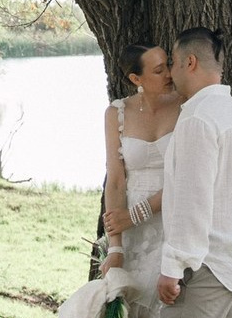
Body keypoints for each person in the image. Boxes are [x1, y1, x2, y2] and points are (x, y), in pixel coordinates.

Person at [156, 28, 232, 318]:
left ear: (190, 62)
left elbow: (192, 200)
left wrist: (173, 266)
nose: (171, 73)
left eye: (173, 62)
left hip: (205, 268)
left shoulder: (198, 117)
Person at [98, 43, 182, 317]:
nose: (169, 74)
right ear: (136, 79)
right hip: (130, 227)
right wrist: (116, 246)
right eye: (159, 70)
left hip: (173, 216)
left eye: (168, 65)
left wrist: (137, 214)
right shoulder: (116, 113)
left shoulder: (185, 106)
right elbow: (115, 181)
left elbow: (187, 177)